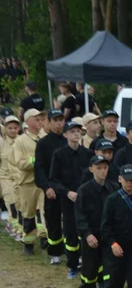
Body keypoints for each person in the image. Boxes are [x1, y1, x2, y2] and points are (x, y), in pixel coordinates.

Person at [48, 120, 92, 278]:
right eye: (72, 131)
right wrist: (67, 192)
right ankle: (73, 265)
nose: (76, 134)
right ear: (65, 134)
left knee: (87, 231)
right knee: (71, 233)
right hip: (67, 200)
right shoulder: (59, 154)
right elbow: (53, 179)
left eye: (78, 131)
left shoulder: (88, 154)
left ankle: (87, 264)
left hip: (85, 200)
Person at [74, 154, 119, 288]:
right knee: (89, 268)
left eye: (105, 168)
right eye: (99, 168)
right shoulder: (84, 190)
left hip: (108, 236)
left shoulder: (114, 188)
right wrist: (87, 234)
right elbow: (80, 216)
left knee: (112, 267)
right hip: (91, 235)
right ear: (91, 169)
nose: (102, 171)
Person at [35, 109, 68, 263]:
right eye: (56, 120)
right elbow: (39, 167)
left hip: (67, 188)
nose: (60, 124)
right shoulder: (43, 143)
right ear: (48, 122)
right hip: (52, 188)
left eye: (62, 120)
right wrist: (46, 187)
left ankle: (72, 251)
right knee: (53, 220)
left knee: (70, 221)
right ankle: (55, 252)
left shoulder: (68, 141)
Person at [11, 108, 44, 255]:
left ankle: (45, 239)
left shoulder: (45, 137)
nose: (40, 121)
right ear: (28, 121)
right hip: (28, 183)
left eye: (41, 118)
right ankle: (28, 242)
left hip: (43, 182)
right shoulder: (20, 141)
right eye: (36, 119)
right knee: (29, 213)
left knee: (44, 211)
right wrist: (37, 161)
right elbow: (20, 163)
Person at [1, 115, 21, 239]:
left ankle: (19, 226)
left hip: (20, 177)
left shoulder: (22, 141)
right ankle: (14, 227)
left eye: (15, 128)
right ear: (5, 129)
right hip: (5, 177)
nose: (13, 130)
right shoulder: (1, 143)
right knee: (11, 202)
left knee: (20, 204)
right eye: (10, 128)